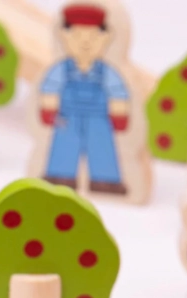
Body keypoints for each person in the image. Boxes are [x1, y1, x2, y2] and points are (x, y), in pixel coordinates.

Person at [39, 4, 130, 194]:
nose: (85, 43)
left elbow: (117, 91)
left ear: (106, 37)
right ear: (64, 36)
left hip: (99, 118)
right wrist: (48, 110)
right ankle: (60, 177)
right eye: (77, 36)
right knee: (64, 145)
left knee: (101, 146)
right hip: (67, 117)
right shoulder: (61, 69)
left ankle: (106, 181)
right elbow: (50, 88)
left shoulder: (107, 72)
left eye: (93, 37)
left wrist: (119, 114)